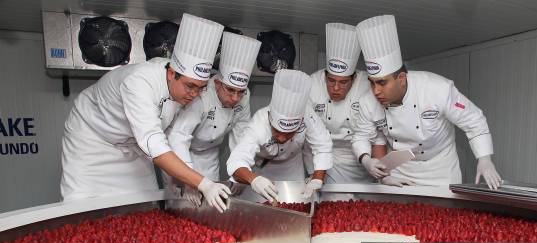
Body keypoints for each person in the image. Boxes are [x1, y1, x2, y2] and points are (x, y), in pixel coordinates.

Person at [60, 14, 231, 212]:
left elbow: (174, 140)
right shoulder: (139, 81)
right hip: (92, 140)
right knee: (83, 211)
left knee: (144, 211)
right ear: (171, 73)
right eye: (190, 86)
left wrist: (186, 179)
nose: (194, 94)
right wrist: (204, 183)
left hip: (135, 146)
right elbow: (154, 143)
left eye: (201, 88)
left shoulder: (192, 94)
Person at [353, 15, 502, 189]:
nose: (376, 91)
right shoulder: (367, 102)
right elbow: (361, 136)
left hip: (441, 169)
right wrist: (367, 161)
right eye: (371, 82)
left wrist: (484, 159)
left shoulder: (437, 89)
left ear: (401, 78)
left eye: (382, 83)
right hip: (400, 170)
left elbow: (473, 120)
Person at [166, 32, 261, 203]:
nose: (235, 98)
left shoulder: (244, 96)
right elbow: (179, 137)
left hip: (210, 155)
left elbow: (242, 137)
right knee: (181, 208)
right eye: (230, 90)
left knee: (211, 207)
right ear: (217, 84)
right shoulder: (202, 96)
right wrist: (188, 180)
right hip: (180, 154)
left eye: (240, 91)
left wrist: (241, 171)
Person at [227, 69, 333, 202]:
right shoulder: (259, 123)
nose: (282, 138)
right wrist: (253, 179)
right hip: (264, 171)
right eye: (277, 131)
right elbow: (237, 160)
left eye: (289, 133)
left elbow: (322, 144)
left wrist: (317, 179)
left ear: (300, 122)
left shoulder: (307, 115)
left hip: (293, 166)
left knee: (297, 204)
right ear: (270, 119)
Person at [305, 23, 373, 184]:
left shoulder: (368, 85)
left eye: (343, 82)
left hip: (358, 156)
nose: (335, 88)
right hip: (321, 153)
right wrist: (314, 174)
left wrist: (371, 161)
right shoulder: (311, 84)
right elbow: (304, 132)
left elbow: (376, 131)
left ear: (354, 78)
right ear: (324, 75)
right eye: (331, 80)